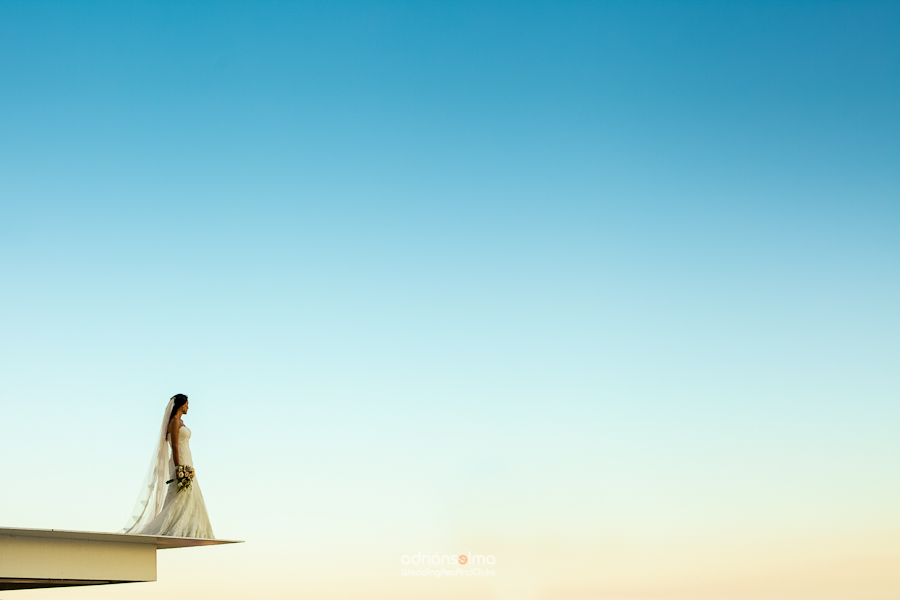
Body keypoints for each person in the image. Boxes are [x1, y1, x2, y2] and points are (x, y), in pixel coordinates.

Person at [122, 394, 214, 538]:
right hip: (180, 461)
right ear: (181, 405)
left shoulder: (181, 422)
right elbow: (175, 446)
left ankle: (190, 529)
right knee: (179, 495)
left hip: (187, 460)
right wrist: (179, 468)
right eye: (187, 404)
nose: (188, 407)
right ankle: (170, 528)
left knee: (189, 495)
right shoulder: (174, 422)